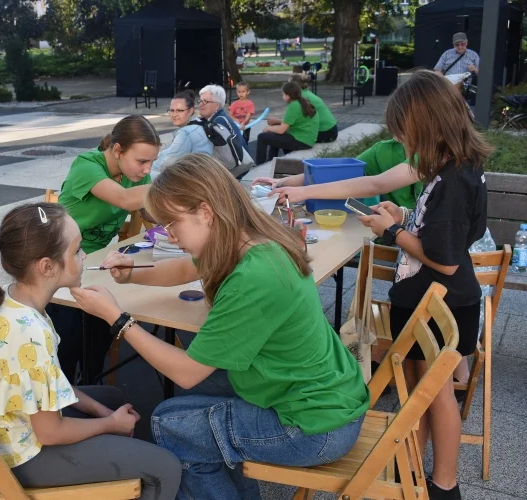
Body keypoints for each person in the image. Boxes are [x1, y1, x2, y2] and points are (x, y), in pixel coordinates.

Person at [70, 153, 370, 500]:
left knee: (170, 423)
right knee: (190, 403)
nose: (167, 234)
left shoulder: (254, 277)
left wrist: (118, 319)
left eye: (171, 223)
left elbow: (186, 372)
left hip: (315, 428)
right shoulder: (248, 239)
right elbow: (187, 269)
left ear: (205, 212)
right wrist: (133, 272)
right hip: (327, 396)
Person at [276, 70, 491, 499]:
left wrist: (392, 231)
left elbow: (445, 261)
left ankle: (445, 485)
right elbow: (429, 226)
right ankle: (413, 462)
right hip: (428, 298)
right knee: (419, 393)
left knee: (437, 393)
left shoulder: (450, 180)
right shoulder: (451, 165)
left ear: (425, 124)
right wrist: (404, 219)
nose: (404, 143)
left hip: (441, 298)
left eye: (405, 133)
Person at [0, 203, 181, 498]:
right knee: (166, 469)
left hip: (11, 431)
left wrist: (104, 414)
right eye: (77, 250)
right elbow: (50, 433)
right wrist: (109, 424)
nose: (85, 256)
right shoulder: (29, 332)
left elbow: (48, 384)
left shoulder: (13, 301)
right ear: (47, 266)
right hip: (26, 456)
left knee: (114, 398)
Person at [48, 115, 159, 383]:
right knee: (73, 333)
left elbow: (149, 209)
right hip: (58, 260)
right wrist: (177, 187)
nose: (146, 170)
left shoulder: (136, 176)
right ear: (118, 150)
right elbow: (122, 198)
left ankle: (89, 383)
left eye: (152, 162)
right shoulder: (87, 166)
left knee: (103, 322)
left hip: (94, 262)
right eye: (142, 161)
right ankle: (62, 389)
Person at [252, 137, 423, 210]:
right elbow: (343, 173)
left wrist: (304, 192)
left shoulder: (437, 155)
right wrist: (281, 183)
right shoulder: (387, 148)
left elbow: (376, 185)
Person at [153, 89, 213, 176]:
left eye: (180, 111)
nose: (174, 114)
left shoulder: (186, 133)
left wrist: (147, 163)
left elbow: (166, 162)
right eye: (172, 110)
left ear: (190, 111)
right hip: (202, 173)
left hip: (195, 178)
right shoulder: (199, 123)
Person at [255, 81, 318, 164]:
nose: (283, 96)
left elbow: (282, 130)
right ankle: (270, 161)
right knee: (273, 135)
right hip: (307, 139)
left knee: (262, 137)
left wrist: (268, 128)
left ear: (288, 96)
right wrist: (276, 124)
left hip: (302, 141)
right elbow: (293, 122)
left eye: (283, 94)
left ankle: (259, 164)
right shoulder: (302, 102)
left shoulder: (293, 106)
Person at [289, 73, 338, 143]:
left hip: (325, 132)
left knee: (286, 135)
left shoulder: (301, 97)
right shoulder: (306, 93)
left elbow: (295, 121)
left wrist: (279, 123)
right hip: (331, 130)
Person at [198, 84, 248, 149]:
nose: (200, 104)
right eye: (200, 101)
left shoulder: (218, 123)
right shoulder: (221, 117)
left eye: (205, 101)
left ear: (217, 106)